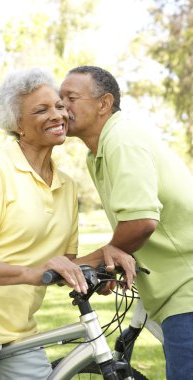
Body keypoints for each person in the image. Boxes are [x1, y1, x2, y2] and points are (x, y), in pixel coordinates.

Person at [0, 67, 135, 380]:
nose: (57, 115)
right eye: (41, 110)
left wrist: (107, 256)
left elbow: (63, 266)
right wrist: (30, 274)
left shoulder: (67, 185)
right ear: (18, 124)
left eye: (59, 105)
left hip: (18, 327)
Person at [60, 65, 193, 380]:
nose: (61, 106)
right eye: (58, 98)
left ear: (104, 103)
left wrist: (84, 264)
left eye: (71, 97)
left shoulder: (121, 138)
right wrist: (112, 262)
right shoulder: (99, 153)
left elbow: (140, 222)